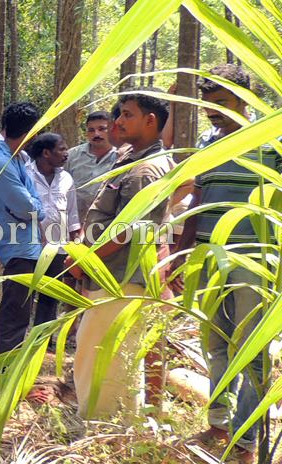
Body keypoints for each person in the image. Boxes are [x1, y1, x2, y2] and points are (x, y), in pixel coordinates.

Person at [171, 64, 281, 463]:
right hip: (208, 258)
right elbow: (198, 203)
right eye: (207, 105)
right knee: (216, 342)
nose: (212, 112)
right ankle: (217, 422)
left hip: (255, 261)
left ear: (244, 99)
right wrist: (184, 256)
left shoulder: (274, 142)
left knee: (250, 349)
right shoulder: (208, 143)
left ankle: (245, 440)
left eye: (220, 103)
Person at [66, 89, 175, 420]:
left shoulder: (146, 169)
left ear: (150, 120)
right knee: (99, 351)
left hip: (122, 278)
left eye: (127, 114)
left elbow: (128, 229)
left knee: (104, 355)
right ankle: (113, 426)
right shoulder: (130, 160)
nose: (118, 121)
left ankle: (106, 429)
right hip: (110, 275)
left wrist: (87, 258)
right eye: (120, 114)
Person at [0, 102, 43, 354]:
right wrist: (36, 207)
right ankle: (4, 374)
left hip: (27, 247)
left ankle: (8, 370)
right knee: (13, 316)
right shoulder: (0, 164)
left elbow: (34, 204)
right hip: (15, 248)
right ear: (32, 132)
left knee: (20, 314)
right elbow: (30, 207)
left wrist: (35, 206)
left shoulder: (17, 160)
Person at [26, 133, 80, 330]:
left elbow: (72, 213)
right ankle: (20, 340)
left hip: (58, 247)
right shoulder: (26, 174)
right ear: (46, 153)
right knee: (25, 295)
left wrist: (75, 242)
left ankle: (42, 341)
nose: (66, 153)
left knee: (50, 297)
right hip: (30, 246)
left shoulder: (66, 178)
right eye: (62, 149)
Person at [65, 111, 117, 222]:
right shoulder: (72, 156)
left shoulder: (122, 157)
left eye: (102, 129)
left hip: (106, 225)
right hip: (73, 223)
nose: (96, 134)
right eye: (91, 130)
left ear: (112, 129)